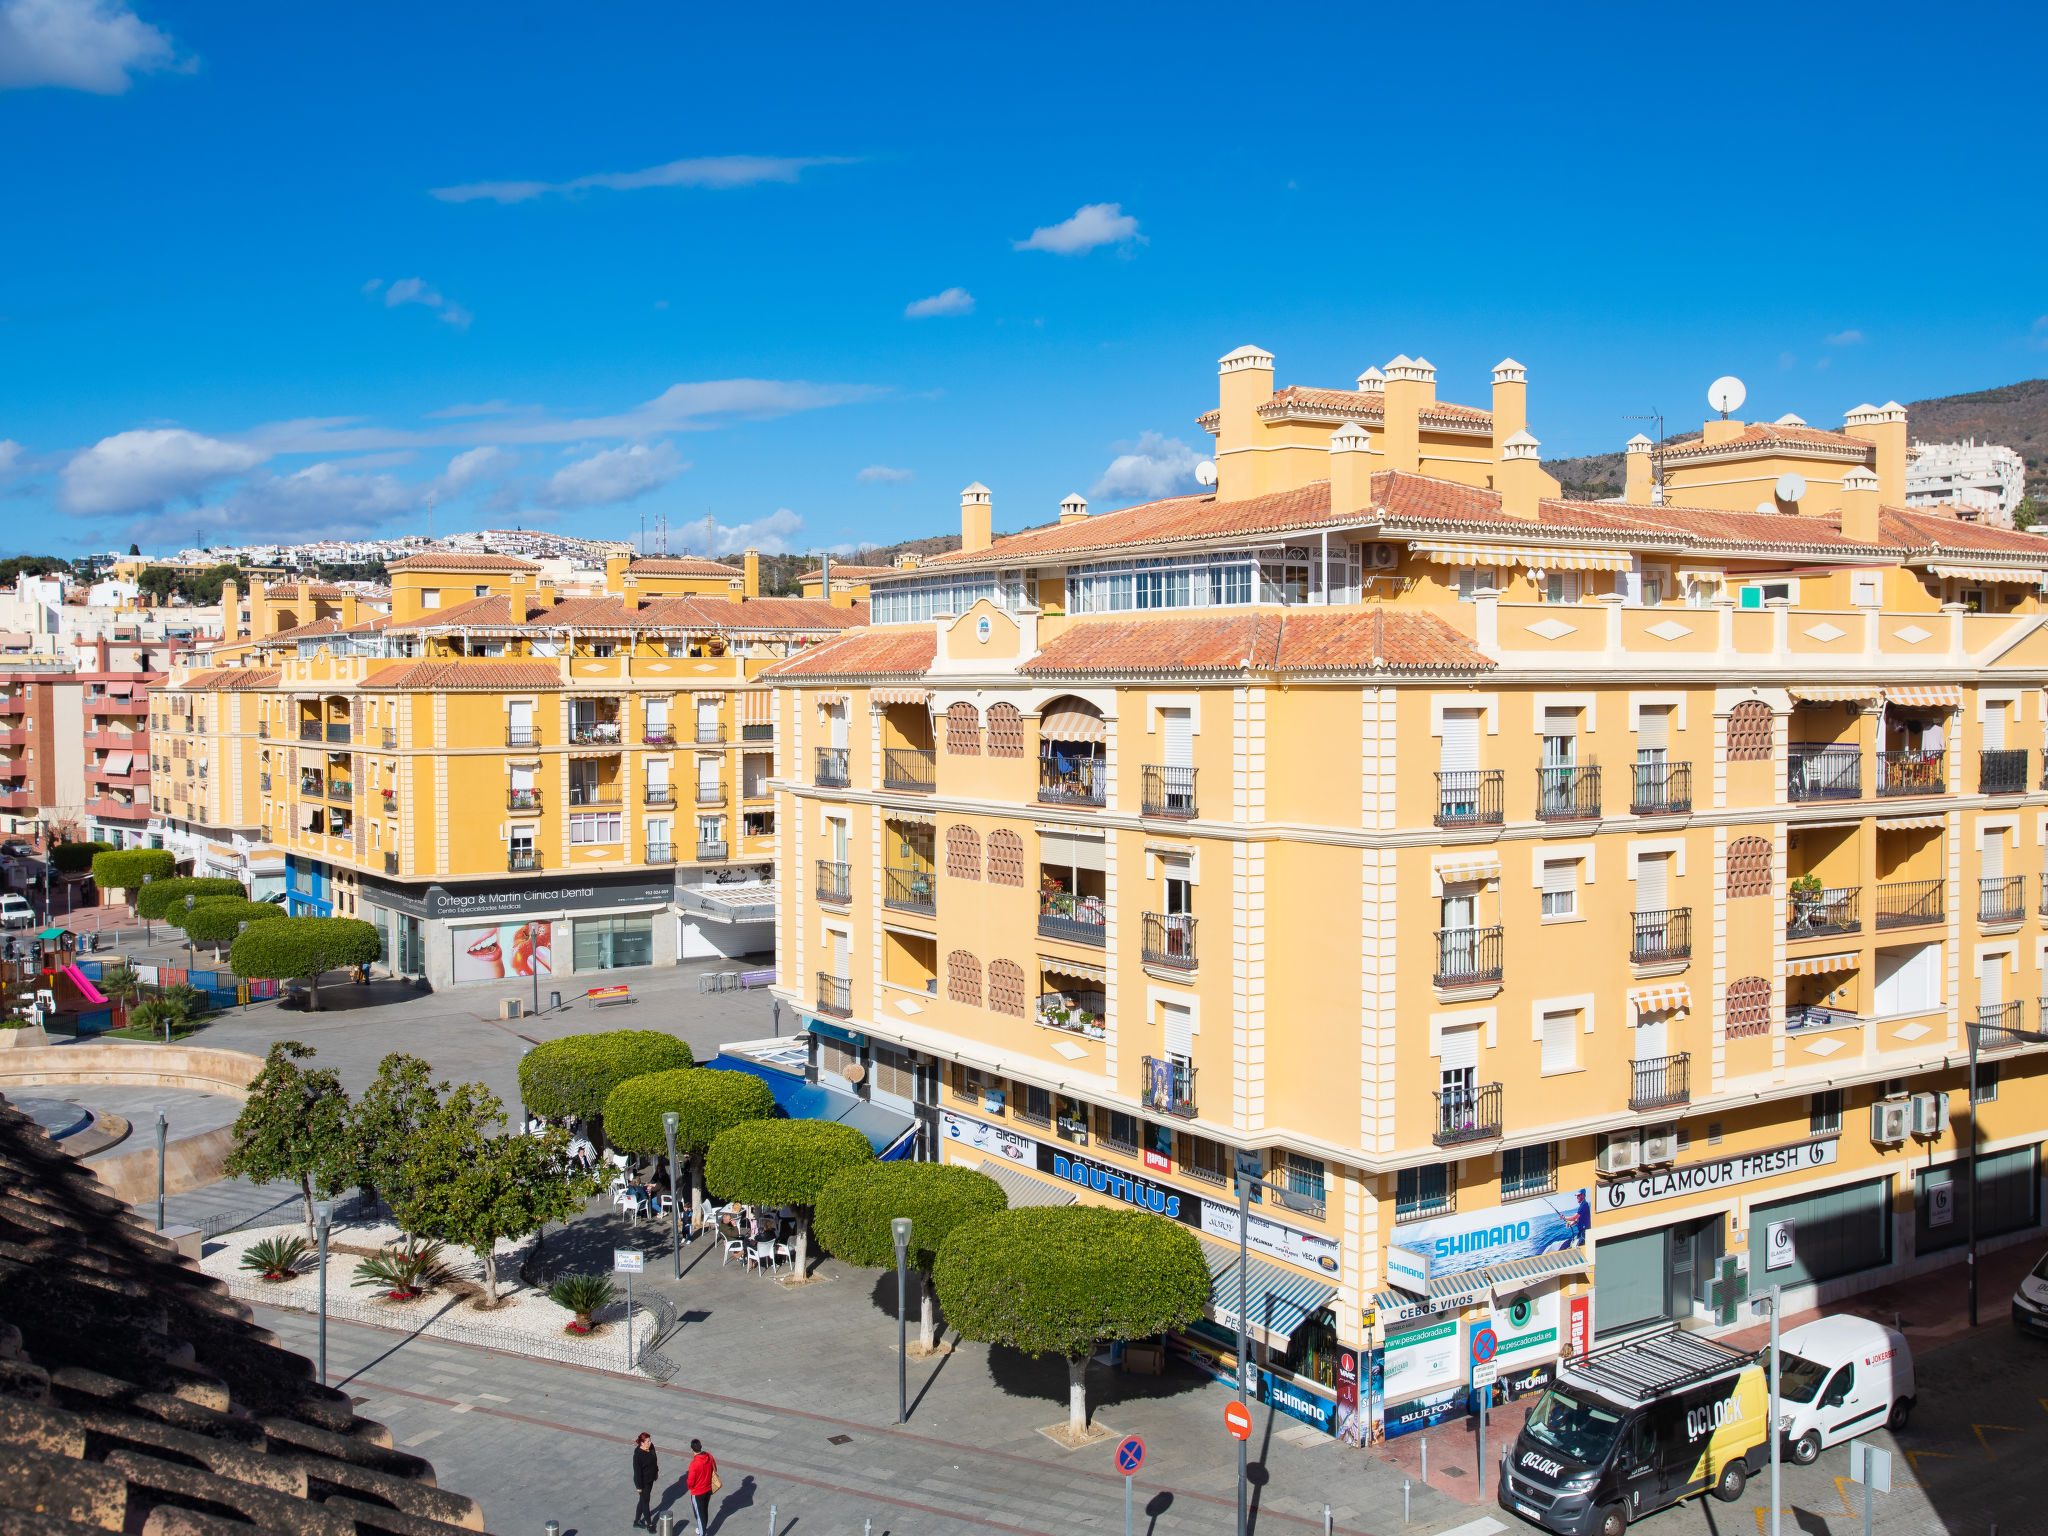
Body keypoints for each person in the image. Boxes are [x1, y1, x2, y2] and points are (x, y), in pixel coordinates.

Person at [684, 1438, 717, 1534]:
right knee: (704, 1511)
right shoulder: (709, 1456)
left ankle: (702, 1532)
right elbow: (715, 1467)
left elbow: (690, 1481)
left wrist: (690, 1487)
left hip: (697, 1492)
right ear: (701, 1447)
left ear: (692, 1449)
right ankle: (702, 1528)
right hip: (708, 1489)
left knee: (698, 1513)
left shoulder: (694, 1464)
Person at [631, 1432, 659, 1530]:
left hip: (650, 1478)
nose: (650, 1443)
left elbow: (655, 1460)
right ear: (641, 1443)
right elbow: (637, 1472)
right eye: (647, 1441)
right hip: (643, 1482)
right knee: (646, 1502)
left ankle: (637, 1521)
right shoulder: (638, 1455)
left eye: (650, 1440)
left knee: (642, 1500)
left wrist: (656, 1471)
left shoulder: (651, 1448)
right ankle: (649, 1524)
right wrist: (639, 1487)